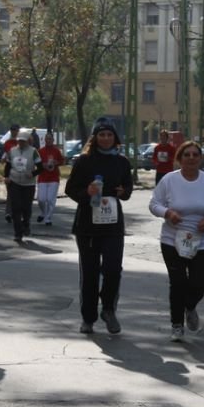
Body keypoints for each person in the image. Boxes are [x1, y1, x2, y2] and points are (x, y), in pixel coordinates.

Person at [149, 141, 204, 342]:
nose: (191, 158)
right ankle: (176, 325)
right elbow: (154, 204)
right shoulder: (169, 180)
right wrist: (168, 213)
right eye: (187, 155)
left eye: (195, 155)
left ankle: (190, 307)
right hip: (172, 239)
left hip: (201, 240)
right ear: (180, 158)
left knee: (199, 285)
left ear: (200, 158)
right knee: (178, 283)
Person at [65, 118, 133, 335]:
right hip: (87, 225)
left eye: (109, 135)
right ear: (95, 138)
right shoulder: (84, 161)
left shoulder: (122, 162)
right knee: (90, 273)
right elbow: (70, 189)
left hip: (113, 225)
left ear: (115, 138)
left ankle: (109, 310)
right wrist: (87, 193)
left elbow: (128, 190)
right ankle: (88, 318)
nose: (106, 139)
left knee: (113, 270)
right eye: (101, 135)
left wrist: (124, 192)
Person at [3, 130, 42, 243]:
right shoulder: (12, 151)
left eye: (23, 141)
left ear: (28, 141)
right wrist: (6, 176)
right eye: (19, 141)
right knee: (16, 207)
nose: (21, 143)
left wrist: (33, 173)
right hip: (14, 182)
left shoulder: (33, 152)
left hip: (28, 184)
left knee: (26, 207)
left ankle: (26, 223)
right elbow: (8, 165)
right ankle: (17, 233)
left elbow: (40, 168)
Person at [36, 131, 64, 226]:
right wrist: (42, 165)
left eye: (50, 139)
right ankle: (43, 213)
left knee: (50, 199)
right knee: (41, 199)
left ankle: (48, 218)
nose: (48, 140)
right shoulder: (40, 151)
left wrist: (56, 162)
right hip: (43, 178)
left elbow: (62, 161)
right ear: (45, 140)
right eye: (47, 139)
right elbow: (36, 163)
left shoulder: (56, 151)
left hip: (53, 178)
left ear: (53, 140)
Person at [3, 124, 21, 223]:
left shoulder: (21, 142)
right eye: (12, 130)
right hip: (9, 168)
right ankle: (8, 213)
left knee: (18, 192)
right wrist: (4, 157)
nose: (14, 131)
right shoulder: (7, 142)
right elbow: (6, 155)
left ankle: (17, 212)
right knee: (10, 192)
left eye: (16, 130)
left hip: (19, 168)